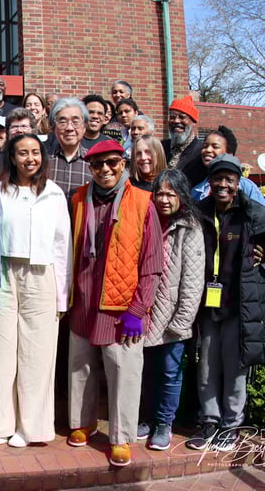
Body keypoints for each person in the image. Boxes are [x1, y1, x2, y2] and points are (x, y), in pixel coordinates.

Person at [66, 140, 162, 468]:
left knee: (123, 371)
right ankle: (83, 423)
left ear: (123, 164)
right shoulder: (79, 198)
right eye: (97, 165)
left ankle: (120, 437)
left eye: (111, 163)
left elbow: (152, 262)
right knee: (80, 365)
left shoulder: (143, 201)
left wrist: (139, 309)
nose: (104, 170)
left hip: (122, 305)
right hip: (84, 298)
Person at [0, 134, 72, 448]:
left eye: (35, 152)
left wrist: (62, 295)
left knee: (37, 354)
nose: (30, 159)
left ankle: (31, 428)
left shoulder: (53, 193)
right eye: (23, 153)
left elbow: (62, 245)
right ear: (12, 157)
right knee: (1, 352)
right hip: (4, 273)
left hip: (41, 275)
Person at [185, 154, 265, 452]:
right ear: (210, 182)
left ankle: (231, 425)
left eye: (229, 180)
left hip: (238, 306)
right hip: (207, 305)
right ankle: (209, 421)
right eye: (217, 178)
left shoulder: (253, 214)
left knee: (235, 367)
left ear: (238, 183)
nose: (223, 184)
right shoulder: (199, 212)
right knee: (206, 367)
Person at [137, 169, 204, 451]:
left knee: (169, 373)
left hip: (172, 319)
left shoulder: (190, 228)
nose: (164, 199)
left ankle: (164, 423)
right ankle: (148, 418)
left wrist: (182, 321)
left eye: (171, 194)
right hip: (147, 314)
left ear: (182, 196)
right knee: (147, 371)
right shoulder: (148, 220)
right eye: (160, 193)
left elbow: (193, 281)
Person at [191, 126, 265, 205]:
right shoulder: (197, 191)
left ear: (229, 154)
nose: (208, 150)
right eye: (205, 146)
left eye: (215, 147)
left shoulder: (246, 187)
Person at [47, 98, 92, 201]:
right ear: (54, 128)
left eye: (75, 122)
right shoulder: (42, 160)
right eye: (62, 122)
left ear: (84, 127)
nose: (69, 128)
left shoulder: (93, 162)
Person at [161, 95, 206, 188]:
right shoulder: (162, 147)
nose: (176, 121)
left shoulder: (200, 153)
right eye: (172, 117)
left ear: (193, 121)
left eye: (182, 117)